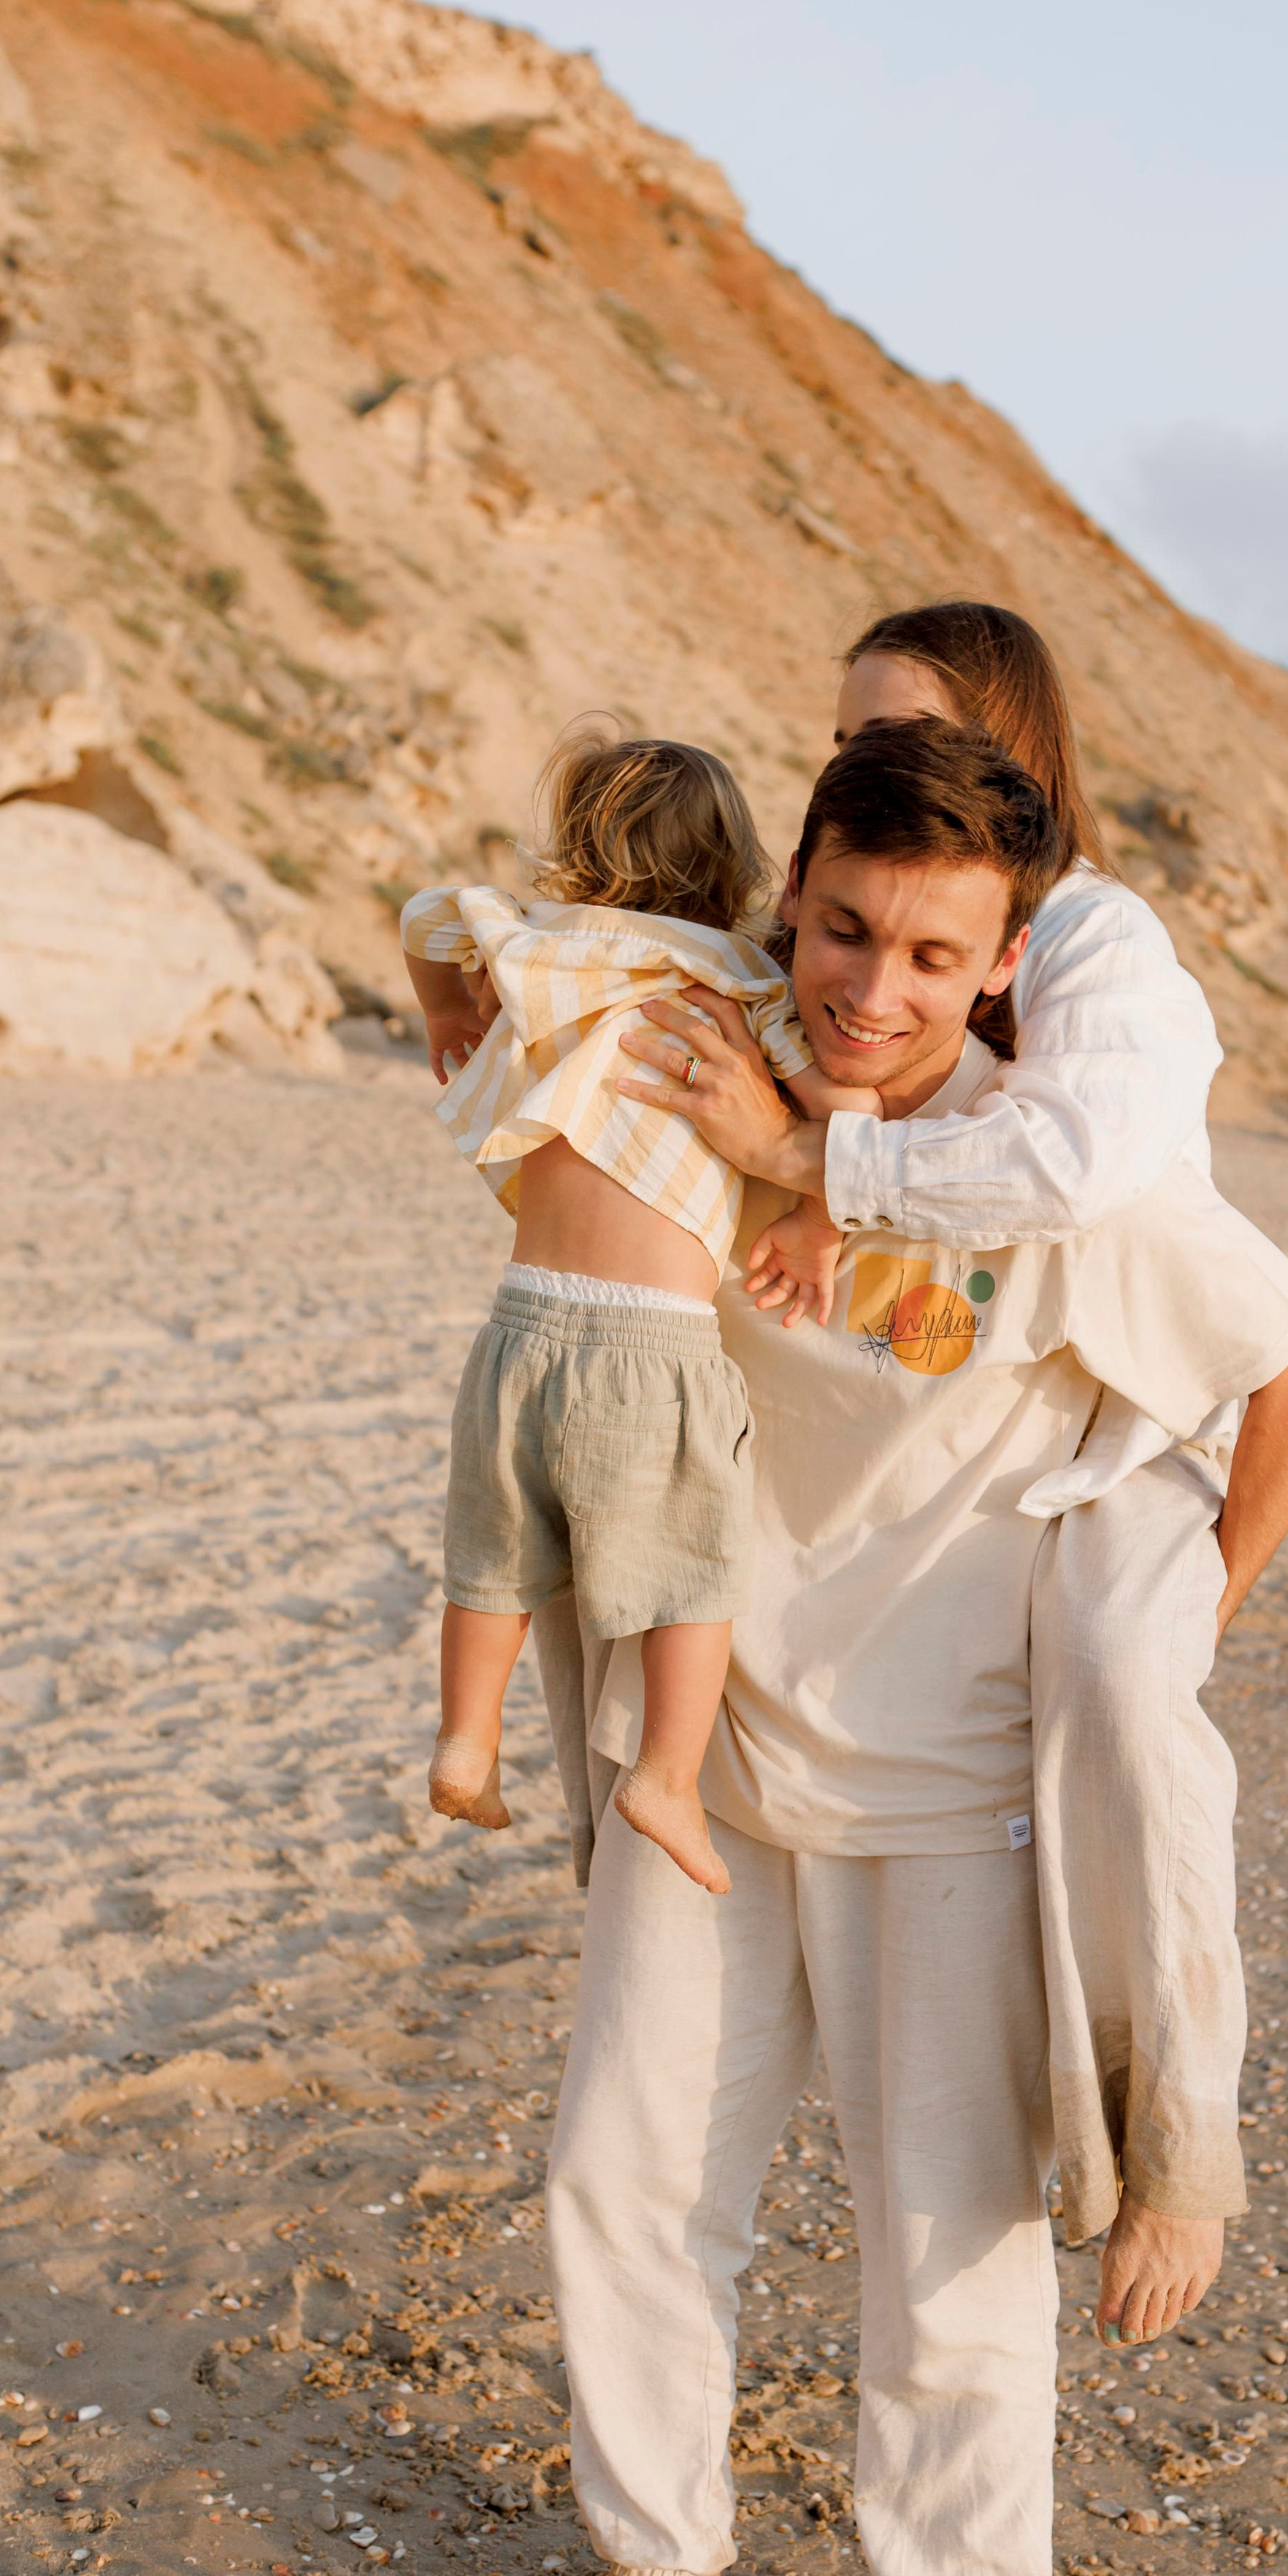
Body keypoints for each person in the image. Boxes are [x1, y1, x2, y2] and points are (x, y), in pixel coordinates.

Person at [434, 719, 1288, 2576]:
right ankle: (663, 2570)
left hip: (948, 1802)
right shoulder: (716, 1071)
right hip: (716, 1757)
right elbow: (512, 1030)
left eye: (934, 959)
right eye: (845, 933)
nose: (874, 992)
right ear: (791, 906)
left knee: (948, 2258)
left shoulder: (1067, 1178)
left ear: (1002, 968)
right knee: (621, 2173)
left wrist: (1183, 1624)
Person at [618, 602, 1270, 2340]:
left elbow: (1074, 1175)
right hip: (817, 1629)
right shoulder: (837, 955)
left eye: (883, 732)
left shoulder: (1097, 949)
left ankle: (1178, 2148)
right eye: (836, 744)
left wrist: (821, 1170)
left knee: (1134, 1704)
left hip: (1135, 1433)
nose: (844, 762)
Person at [399, 725, 873, 1892]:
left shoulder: (540, 947)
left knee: (495, 1551)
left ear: (580, 850)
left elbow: (426, 918)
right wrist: (819, 1215)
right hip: (650, 1346)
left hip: (516, 1325)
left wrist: (442, 1017)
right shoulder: (739, 984)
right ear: (735, 867)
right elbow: (847, 1102)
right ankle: (665, 1773)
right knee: (693, 1572)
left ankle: (466, 1738)